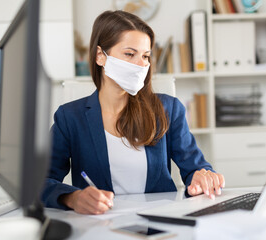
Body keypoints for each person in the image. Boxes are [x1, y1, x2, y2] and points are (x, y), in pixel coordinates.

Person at [41, 10, 225, 215]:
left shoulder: (168, 109)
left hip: (161, 224)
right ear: (100, 56)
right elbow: (40, 183)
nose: (141, 65)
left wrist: (202, 178)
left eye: (145, 56)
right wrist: (72, 198)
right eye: (130, 54)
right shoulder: (70, 117)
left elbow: (196, 168)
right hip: (101, 226)